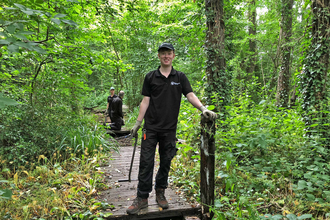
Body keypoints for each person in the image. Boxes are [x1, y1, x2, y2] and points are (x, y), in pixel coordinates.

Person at [126, 43, 217, 215]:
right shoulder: (150, 77)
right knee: (146, 162)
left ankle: (160, 191)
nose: (166, 56)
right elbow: (145, 101)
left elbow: (190, 95)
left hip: (169, 129)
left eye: (169, 53)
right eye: (163, 54)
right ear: (159, 56)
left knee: (166, 161)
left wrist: (203, 108)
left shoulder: (180, 77)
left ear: (173, 55)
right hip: (150, 128)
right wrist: (137, 123)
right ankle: (142, 197)